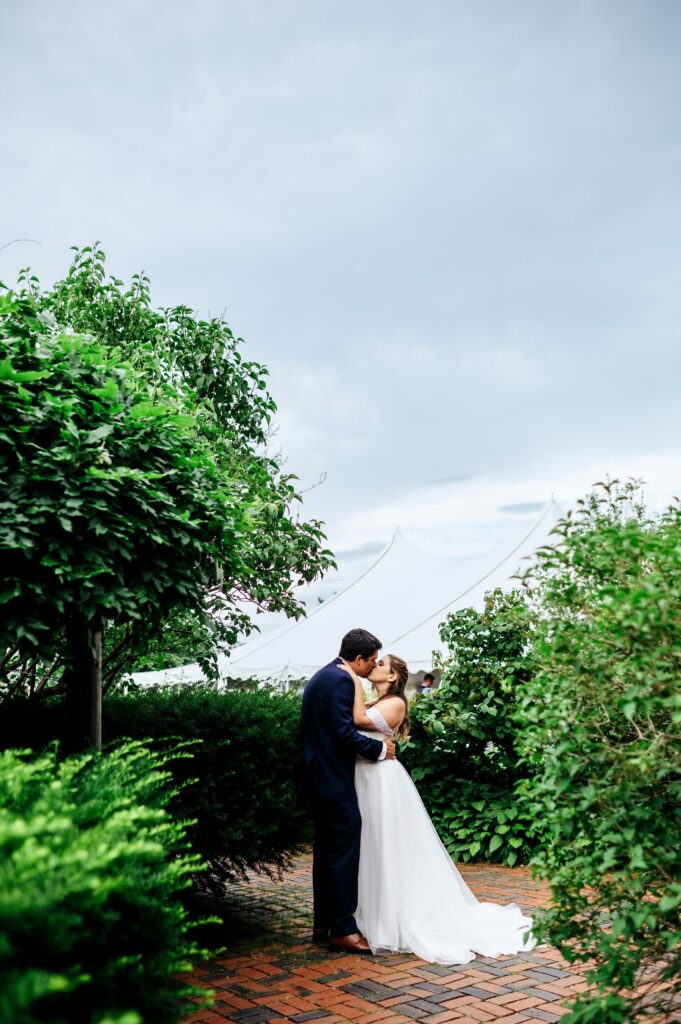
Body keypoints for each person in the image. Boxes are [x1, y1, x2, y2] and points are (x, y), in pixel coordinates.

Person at [340, 654, 536, 964]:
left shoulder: (395, 703)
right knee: (370, 847)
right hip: (363, 777)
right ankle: (368, 913)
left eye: (381, 664)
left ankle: (398, 917)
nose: (374, 665)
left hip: (383, 782)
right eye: (373, 663)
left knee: (388, 846)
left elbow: (358, 721)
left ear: (392, 677)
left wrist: (351, 678)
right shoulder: (371, 698)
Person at [300, 628, 396, 954]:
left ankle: (324, 923)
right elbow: (342, 733)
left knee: (327, 854)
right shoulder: (341, 680)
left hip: (319, 778)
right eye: (370, 661)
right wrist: (381, 750)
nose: (371, 668)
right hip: (334, 781)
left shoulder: (325, 676)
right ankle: (343, 929)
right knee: (342, 854)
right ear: (358, 659)